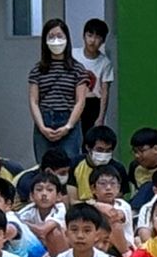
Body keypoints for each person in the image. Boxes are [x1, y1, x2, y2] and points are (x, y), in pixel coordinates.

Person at [28, 18, 92, 161]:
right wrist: (42, 127)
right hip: (44, 120)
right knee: (44, 165)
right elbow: (33, 101)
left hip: (69, 120)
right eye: (51, 37)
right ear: (45, 41)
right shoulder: (37, 70)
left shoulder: (78, 69)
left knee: (69, 164)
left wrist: (68, 126)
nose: (56, 40)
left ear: (67, 39)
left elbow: (80, 101)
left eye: (59, 36)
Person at [74, 18, 114, 136]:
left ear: (103, 41)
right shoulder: (73, 55)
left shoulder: (105, 63)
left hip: (92, 104)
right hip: (73, 101)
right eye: (90, 35)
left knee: (89, 138)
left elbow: (105, 92)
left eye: (97, 37)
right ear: (84, 36)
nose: (92, 40)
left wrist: (101, 117)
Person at [124, 127, 157, 192]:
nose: (137, 155)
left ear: (155, 149)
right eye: (135, 151)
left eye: (141, 151)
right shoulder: (134, 166)